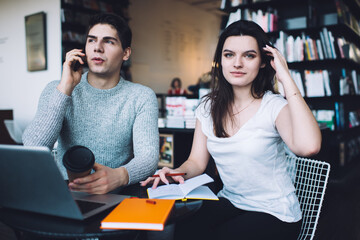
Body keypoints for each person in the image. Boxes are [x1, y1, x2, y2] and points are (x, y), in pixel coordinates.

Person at [141, 20, 321, 240]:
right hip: (230, 201)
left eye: (249, 55)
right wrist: (175, 172)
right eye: (229, 55)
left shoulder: (274, 106)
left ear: (264, 62)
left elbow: (309, 147)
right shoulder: (208, 107)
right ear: (220, 61)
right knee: (182, 230)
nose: (237, 63)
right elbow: (197, 162)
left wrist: (285, 78)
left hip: (274, 212)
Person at [22, 13, 159, 194]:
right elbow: (33, 147)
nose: (98, 48)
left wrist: (120, 176)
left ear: (126, 53)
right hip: (67, 194)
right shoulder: (57, 89)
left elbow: (148, 157)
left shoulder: (141, 96)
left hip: (118, 196)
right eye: (92, 40)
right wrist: (65, 89)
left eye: (109, 41)